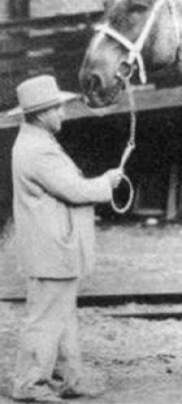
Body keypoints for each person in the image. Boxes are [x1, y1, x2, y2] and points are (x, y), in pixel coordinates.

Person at [8, 75, 122, 402]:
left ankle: (69, 379)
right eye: (57, 108)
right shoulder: (38, 150)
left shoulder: (36, 142)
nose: (63, 113)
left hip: (52, 247)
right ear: (41, 113)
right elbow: (75, 190)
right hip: (51, 248)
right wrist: (107, 182)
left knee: (61, 316)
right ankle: (29, 384)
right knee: (46, 318)